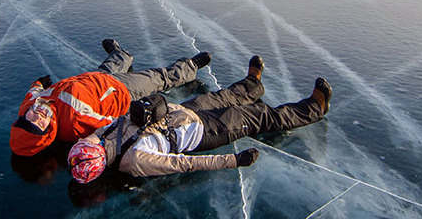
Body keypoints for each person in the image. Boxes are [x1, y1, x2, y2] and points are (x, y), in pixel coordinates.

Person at [67, 55, 332, 183]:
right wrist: (234, 160)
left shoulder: (101, 135)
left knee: (225, 96)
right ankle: (314, 108)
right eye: (92, 144)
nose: (94, 140)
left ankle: (252, 84)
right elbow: (185, 164)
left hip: (182, 111)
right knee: (259, 116)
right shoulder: (136, 160)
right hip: (203, 131)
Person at [9, 39, 213, 156]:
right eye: (39, 123)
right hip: (120, 91)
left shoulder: (31, 105)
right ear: (47, 133)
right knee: (159, 78)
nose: (38, 114)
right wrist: (134, 112)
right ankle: (191, 66)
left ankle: (121, 53)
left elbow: (33, 94)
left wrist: (39, 84)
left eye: (30, 117)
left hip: (94, 79)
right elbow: (110, 124)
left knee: (114, 63)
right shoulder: (73, 123)